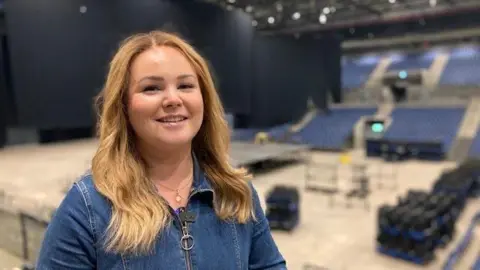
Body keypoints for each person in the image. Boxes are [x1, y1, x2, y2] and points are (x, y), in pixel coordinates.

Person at [35, 31, 286, 269]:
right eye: (151, 88)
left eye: (186, 86)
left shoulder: (236, 193)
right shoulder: (88, 207)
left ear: (204, 100)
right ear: (124, 107)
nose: (173, 99)